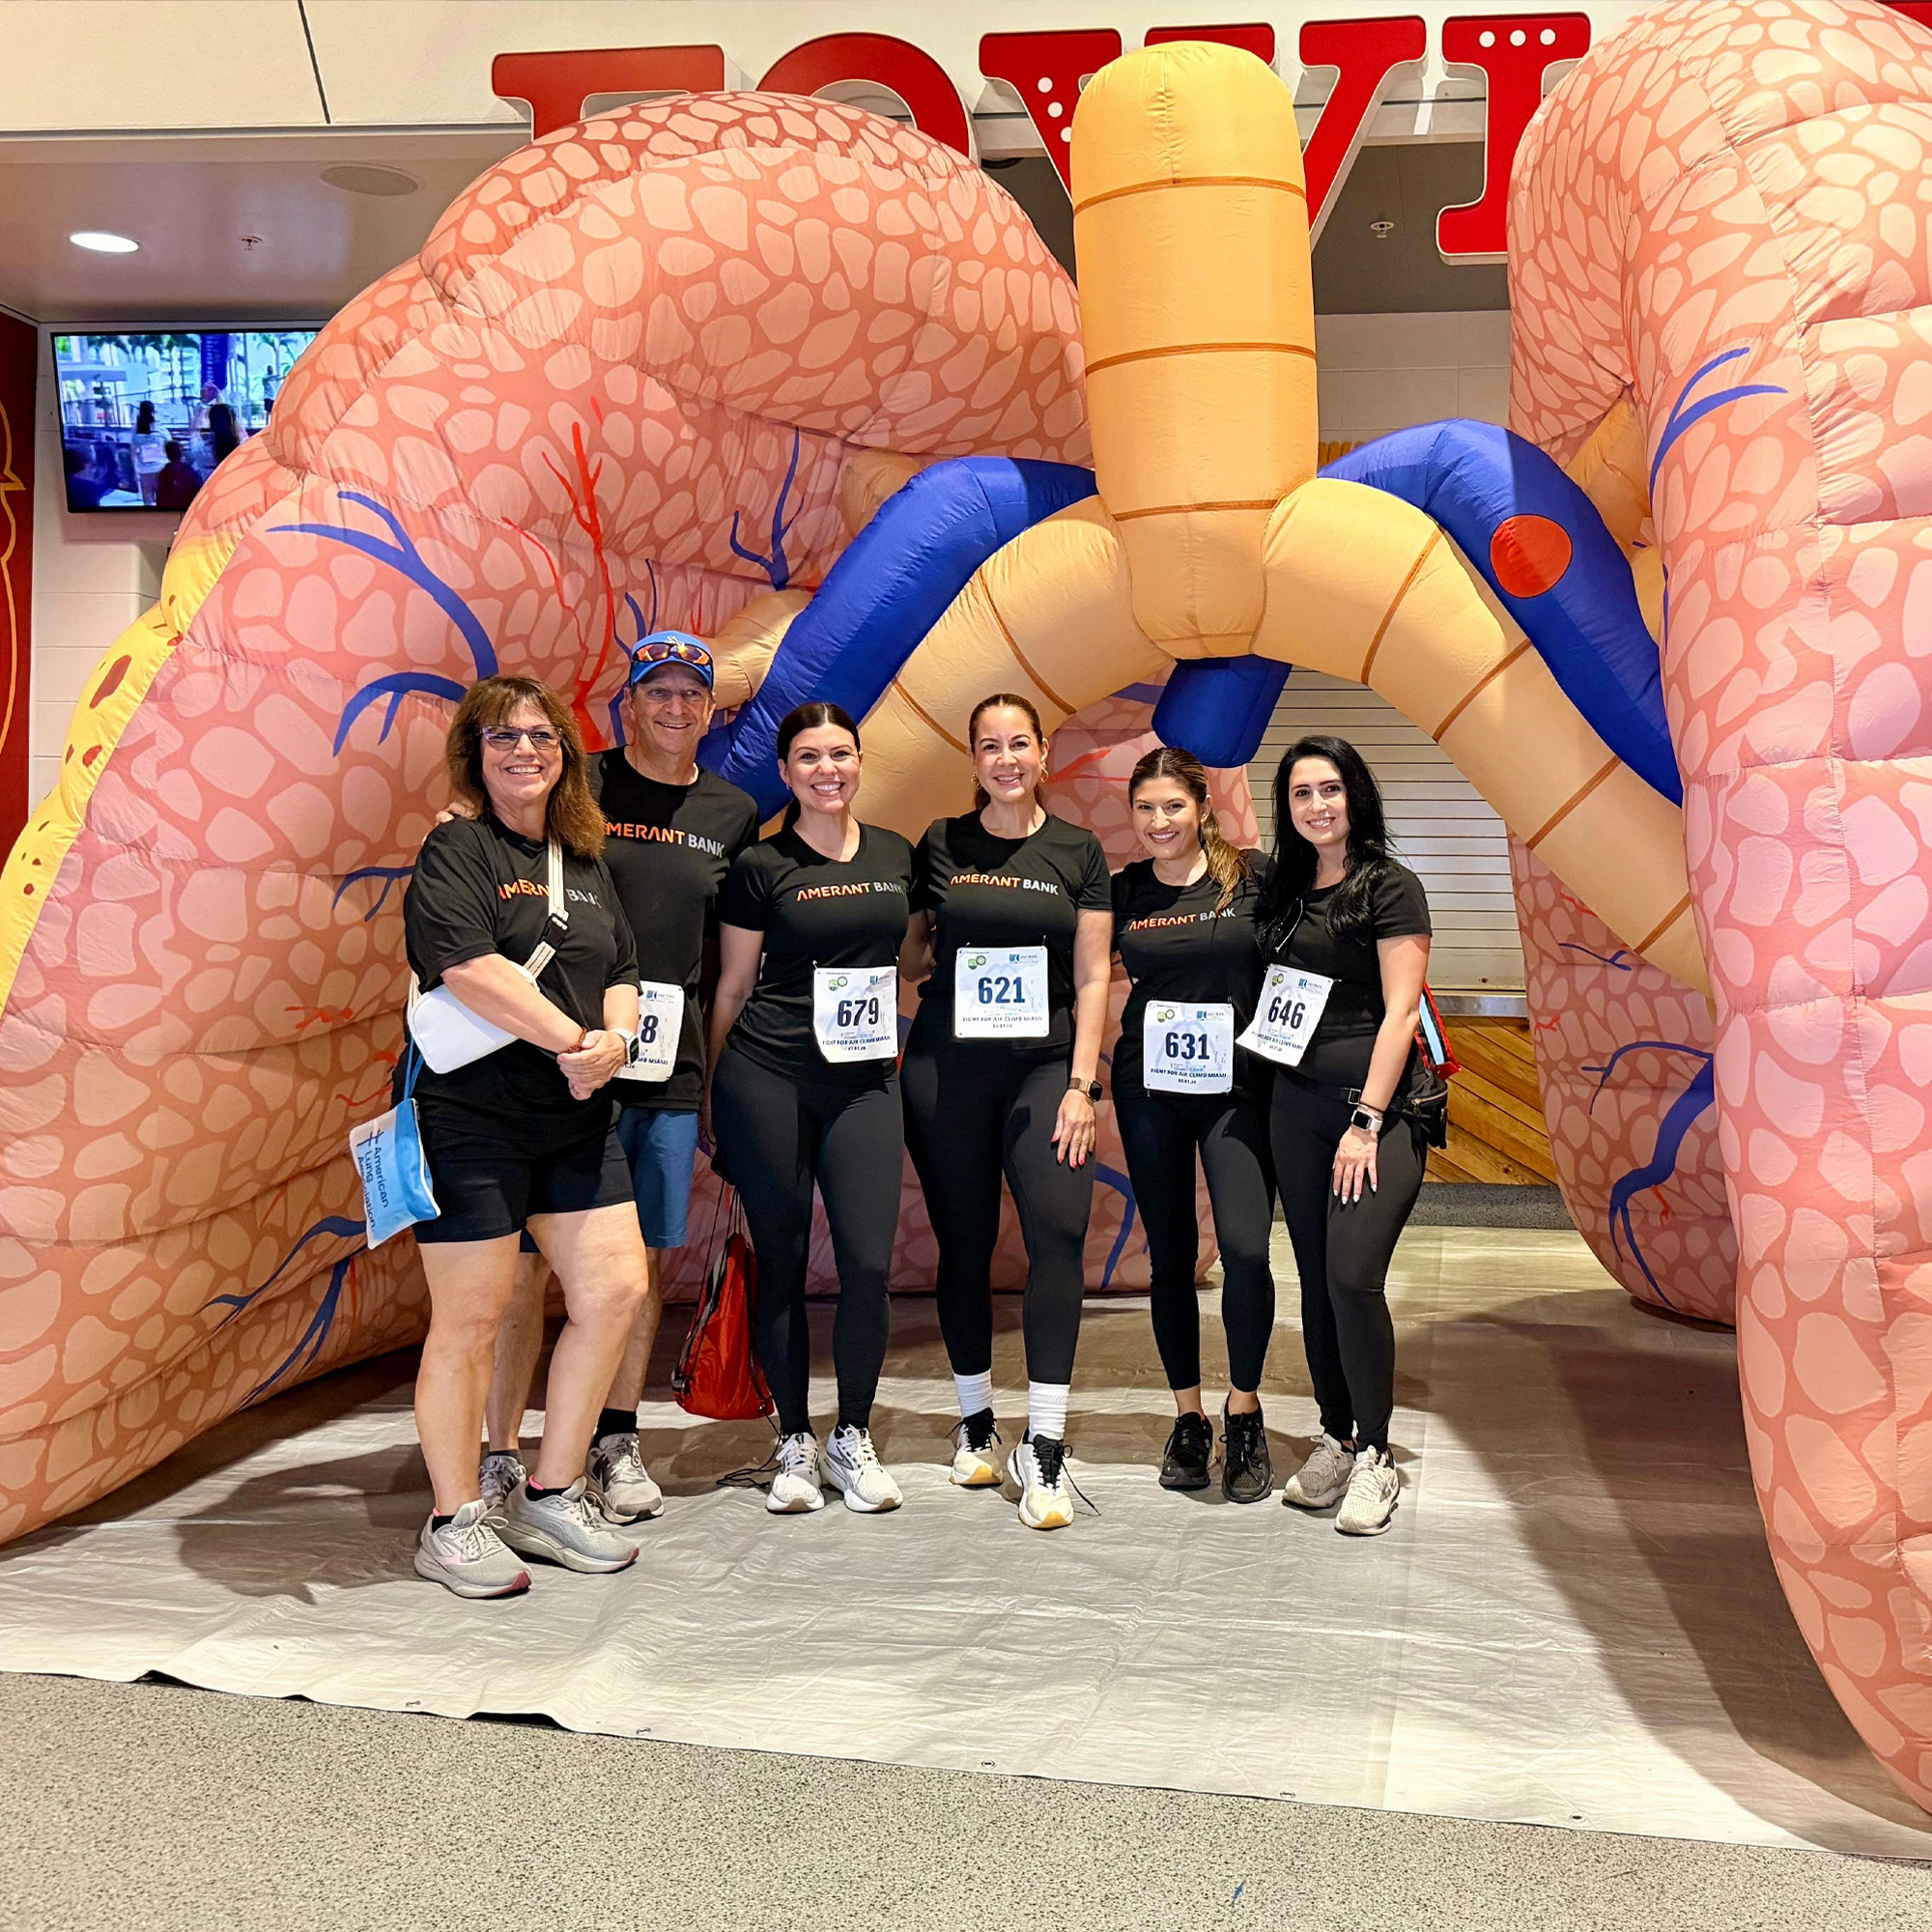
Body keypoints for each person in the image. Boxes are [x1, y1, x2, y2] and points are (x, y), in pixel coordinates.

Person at [473, 633, 759, 1529]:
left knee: (638, 1269)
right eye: (657, 692)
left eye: (691, 695)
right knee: (522, 1274)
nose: (675, 708)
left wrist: (710, 1077)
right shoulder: (573, 781)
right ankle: (499, 1455)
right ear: (625, 705)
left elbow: (728, 953)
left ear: (710, 712)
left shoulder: (734, 811)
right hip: (546, 1060)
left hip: (663, 1066)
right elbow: (493, 831)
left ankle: (616, 1440)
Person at [404, 675, 653, 1596]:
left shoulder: (584, 863)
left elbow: (623, 965)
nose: (525, 751)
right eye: (504, 738)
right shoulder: (454, 850)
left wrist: (614, 1041)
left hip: (577, 1114)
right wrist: (576, 1042)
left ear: (565, 756)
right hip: (472, 1119)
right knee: (470, 1320)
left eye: (542, 738)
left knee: (616, 1290)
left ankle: (550, 1492)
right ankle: (453, 1520)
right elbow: (469, 970)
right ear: (476, 752)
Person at [901, 695, 1111, 1531]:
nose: (1006, 759)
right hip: (947, 1071)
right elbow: (913, 948)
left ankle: (1047, 1443)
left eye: (1018, 744)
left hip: (1046, 1073)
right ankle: (977, 1420)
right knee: (965, 1245)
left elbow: (1094, 975)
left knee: (1058, 1237)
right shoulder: (940, 844)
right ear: (974, 758)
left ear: (1043, 751)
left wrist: (1082, 1085)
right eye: (990, 747)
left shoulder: (1078, 850)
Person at [707, 701, 915, 1516]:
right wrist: (713, 1094)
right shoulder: (761, 867)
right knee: (783, 1261)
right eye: (807, 758)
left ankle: (851, 1435)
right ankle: (793, 1439)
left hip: (865, 1084)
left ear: (860, 762)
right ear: (786, 773)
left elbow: (921, 951)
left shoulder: (899, 856)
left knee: (867, 1263)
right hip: (768, 1078)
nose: (826, 770)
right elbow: (731, 986)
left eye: (840, 754)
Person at [1252, 734, 1432, 1537]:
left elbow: (1402, 1011)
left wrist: (1366, 1119)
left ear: (1355, 795)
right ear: (1286, 808)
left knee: (1354, 1276)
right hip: (1295, 1103)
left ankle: (1377, 1458)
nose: (1318, 806)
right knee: (1319, 1278)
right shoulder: (1283, 889)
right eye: (1301, 794)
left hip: (1376, 1112)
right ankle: (1335, 1430)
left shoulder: (1390, 885)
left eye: (1330, 789)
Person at [1111, 748, 1278, 1502]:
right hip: (1150, 1088)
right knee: (1169, 1259)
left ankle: (1244, 1411)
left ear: (1202, 807)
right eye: (1144, 808)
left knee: (1244, 1248)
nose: (1158, 822)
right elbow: (1077, 971)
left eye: (1171, 807)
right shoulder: (1123, 890)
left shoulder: (1253, 875)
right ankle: (1189, 1417)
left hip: (1237, 1089)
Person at [131, 401, 166, 507]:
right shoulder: (160, 429)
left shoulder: (136, 430)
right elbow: (169, 444)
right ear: (153, 412)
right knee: (162, 498)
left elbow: (133, 451)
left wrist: (135, 470)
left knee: (148, 500)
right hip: (161, 467)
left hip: (144, 470)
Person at [155, 440, 200, 511]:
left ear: (166, 454)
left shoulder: (163, 474)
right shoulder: (189, 471)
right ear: (181, 453)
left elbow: (160, 497)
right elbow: (198, 489)